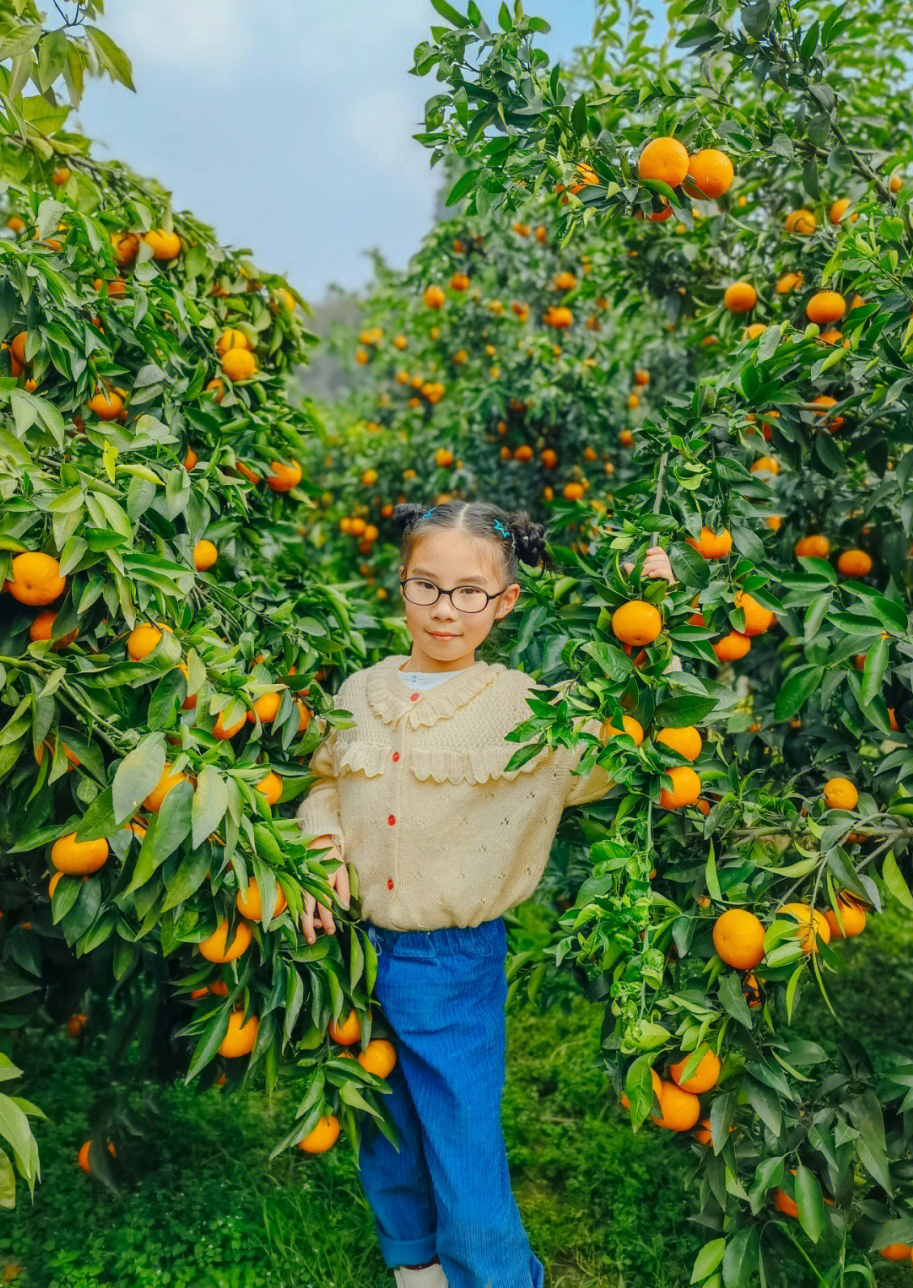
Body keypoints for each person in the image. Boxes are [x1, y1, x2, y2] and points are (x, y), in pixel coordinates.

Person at [297, 498, 676, 1288]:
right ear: (398, 585)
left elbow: (630, 733)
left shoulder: (525, 708)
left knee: (461, 1137)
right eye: (426, 586)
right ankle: (416, 1265)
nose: (445, 609)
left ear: (504, 601)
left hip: (452, 959)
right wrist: (321, 845)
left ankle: (495, 1277)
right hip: (352, 950)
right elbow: (326, 784)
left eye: (470, 592)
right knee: (382, 1118)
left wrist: (655, 621)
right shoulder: (359, 691)